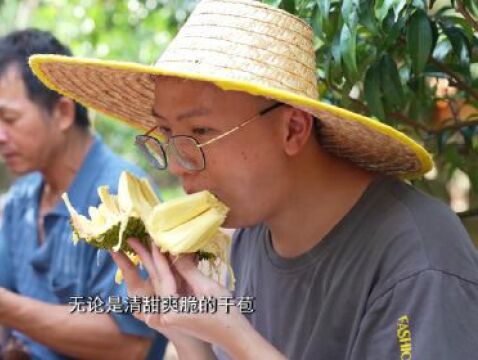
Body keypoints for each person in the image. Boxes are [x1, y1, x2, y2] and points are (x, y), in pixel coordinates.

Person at [28, 0, 478, 359]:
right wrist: (183, 326)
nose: (180, 164)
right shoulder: (246, 233)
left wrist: (237, 335)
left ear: (293, 129)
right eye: (166, 134)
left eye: (200, 132)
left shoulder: (418, 260)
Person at [0, 29, 166, 360]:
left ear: (62, 112)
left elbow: (130, 344)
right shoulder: (23, 199)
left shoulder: (124, 196)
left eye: (8, 118)